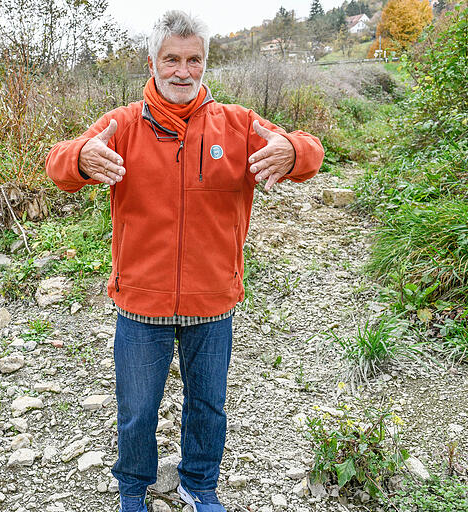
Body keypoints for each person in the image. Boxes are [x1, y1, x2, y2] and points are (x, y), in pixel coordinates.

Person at [45, 10, 324, 512]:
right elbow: (59, 161)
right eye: (171, 58)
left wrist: (294, 151)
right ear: (152, 61)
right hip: (140, 302)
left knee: (209, 407)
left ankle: (200, 484)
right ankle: (133, 488)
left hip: (213, 301)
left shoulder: (237, 124)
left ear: (205, 64)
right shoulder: (123, 125)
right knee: (136, 411)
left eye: (193, 59)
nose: (182, 70)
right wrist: (82, 157)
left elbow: (307, 150)